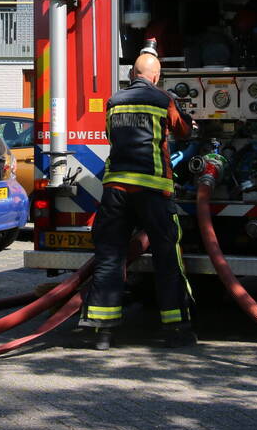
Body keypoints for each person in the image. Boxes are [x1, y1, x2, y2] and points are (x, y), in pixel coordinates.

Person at [75, 52, 195, 350]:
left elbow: (110, 135)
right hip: (153, 190)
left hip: (116, 189)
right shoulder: (162, 99)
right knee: (167, 258)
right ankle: (176, 329)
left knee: (109, 257)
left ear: (132, 75)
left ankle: (102, 333)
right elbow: (182, 130)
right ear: (156, 76)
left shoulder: (114, 101)